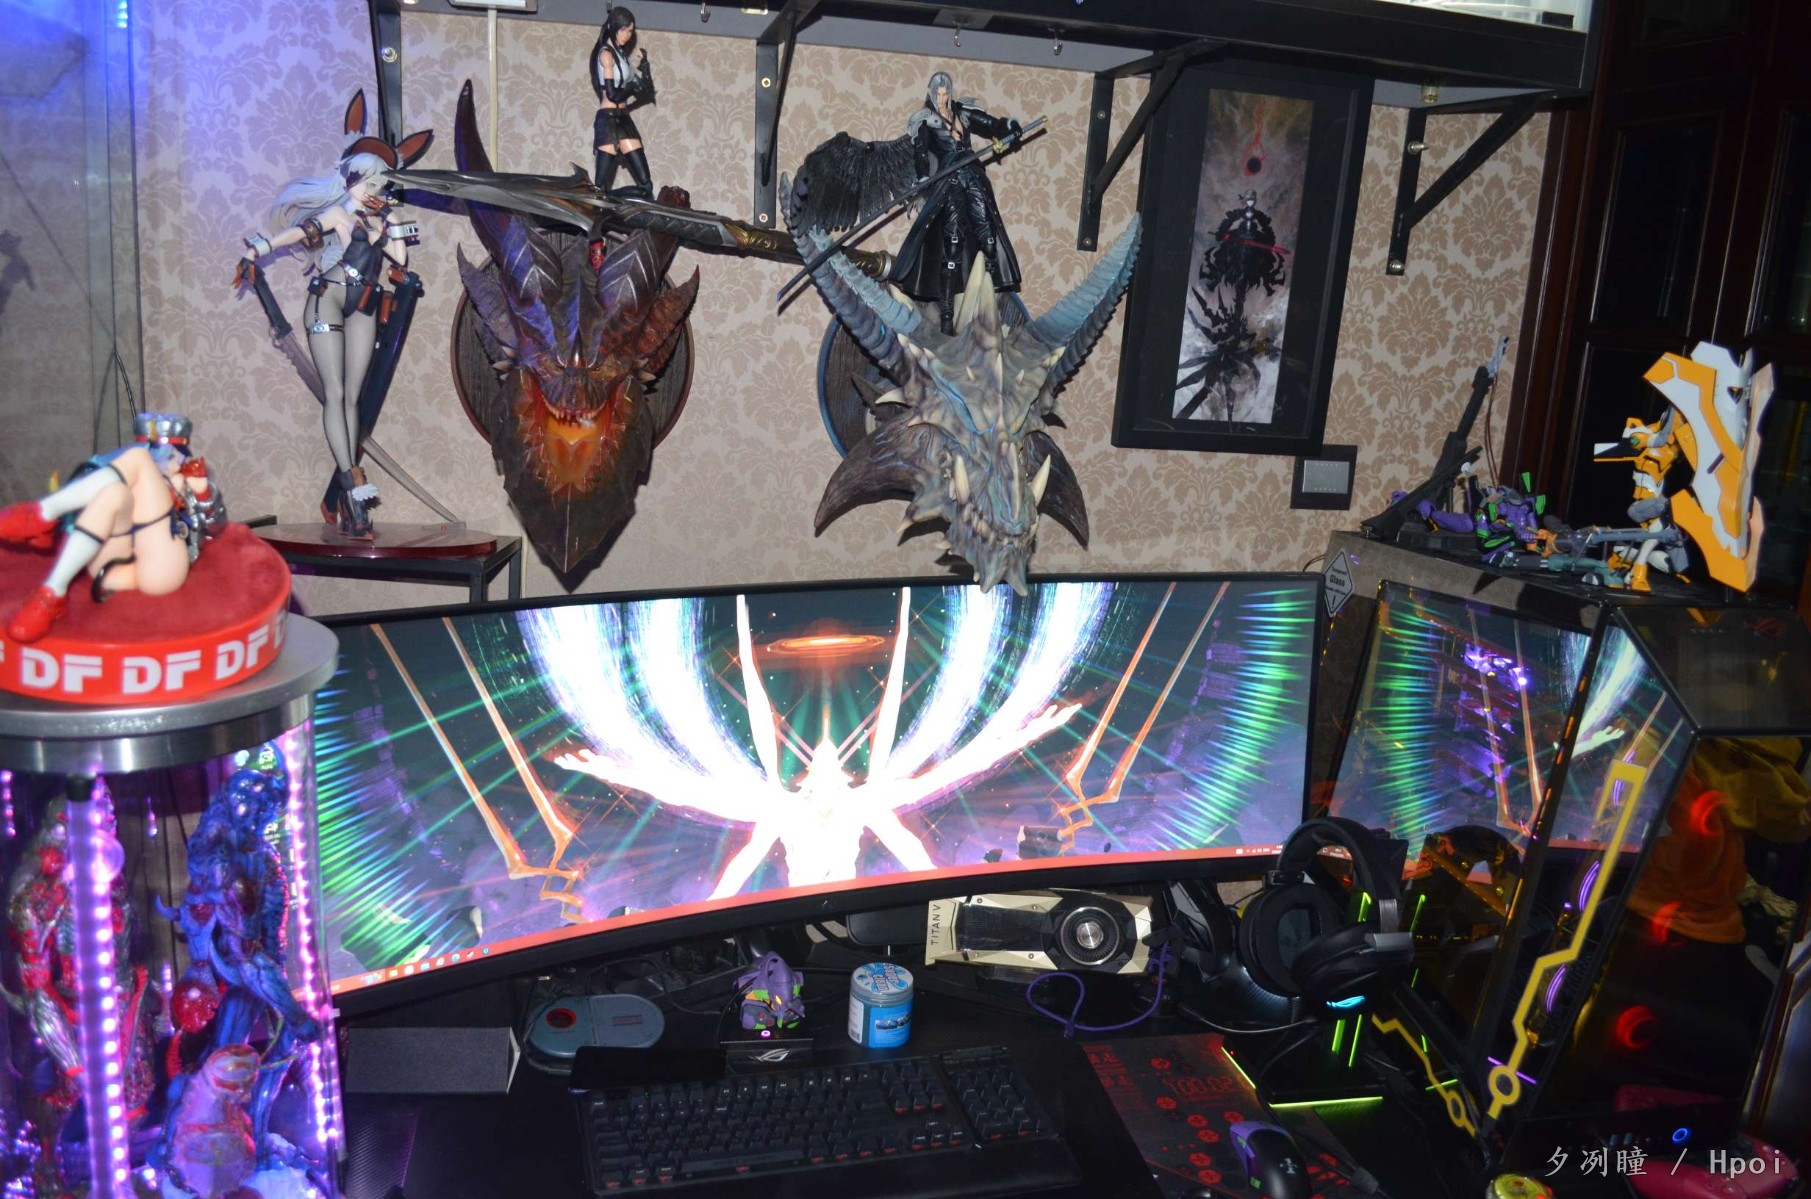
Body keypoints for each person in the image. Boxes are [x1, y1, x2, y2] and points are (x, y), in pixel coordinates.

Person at [234, 92, 431, 539]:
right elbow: (298, 233)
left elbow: (400, 259)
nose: (370, 190)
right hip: (327, 299)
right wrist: (260, 248)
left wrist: (391, 221)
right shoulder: (339, 216)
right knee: (336, 393)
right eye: (364, 182)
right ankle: (352, 482)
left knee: (353, 398)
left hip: (364, 304)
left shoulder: (379, 220)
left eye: (377, 184)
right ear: (349, 178)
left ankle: (345, 492)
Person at [0, 413, 225, 643]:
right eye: (160, 454)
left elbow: (216, 528)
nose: (169, 461)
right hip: (113, 571)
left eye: (173, 454)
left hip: (158, 571)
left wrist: (203, 493)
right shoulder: (125, 476)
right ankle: (51, 593)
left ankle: (41, 515)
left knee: (137, 461)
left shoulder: (185, 480)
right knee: (113, 493)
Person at [891, 72, 1023, 334]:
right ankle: (947, 317)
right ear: (931, 93)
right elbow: (920, 154)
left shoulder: (962, 112)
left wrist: (1009, 128)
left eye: (945, 94)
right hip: (949, 181)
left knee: (988, 239)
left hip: (972, 175)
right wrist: (924, 180)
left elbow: (992, 124)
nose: (942, 99)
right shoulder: (925, 120)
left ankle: (986, 302)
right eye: (938, 94)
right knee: (952, 245)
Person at [590, 6, 656, 199]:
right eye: (623, 30)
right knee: (600, 187)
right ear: (612, 27)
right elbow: (612, 95)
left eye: (630, 31)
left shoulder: (623, 58)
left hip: (624, 119)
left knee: (646, 186)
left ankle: (611, 199)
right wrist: (633, 88)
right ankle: (605, 199)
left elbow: (646, 88)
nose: (627, 35)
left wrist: (645, 67)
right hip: (608, 120)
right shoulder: (606, 55)